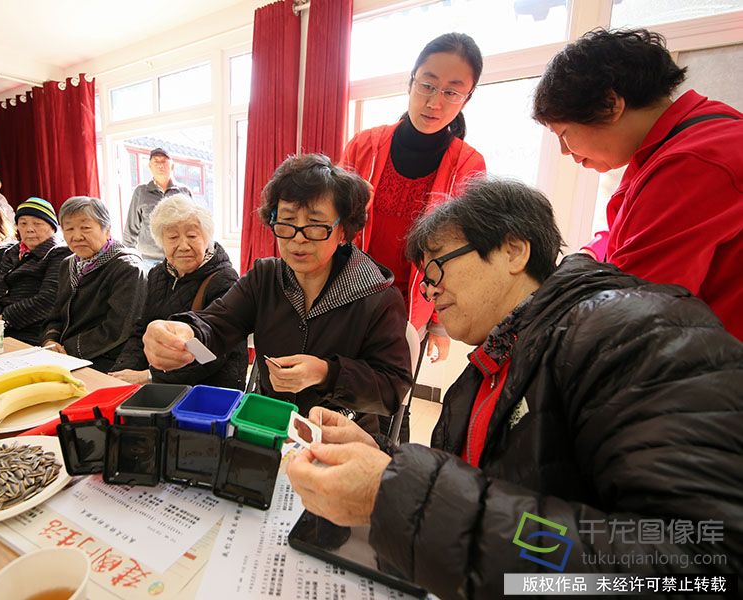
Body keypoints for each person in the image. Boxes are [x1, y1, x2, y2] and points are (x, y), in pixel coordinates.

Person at [286, 178, 743, 598]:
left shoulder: (633, 332)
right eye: (425, 280)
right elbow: (478, 489)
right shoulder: (484, 372)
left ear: (514, 251)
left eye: (438, 268)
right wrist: (387, 460)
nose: (431, 292)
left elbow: (705, 568)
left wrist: (391, 495)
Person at [143, 154, 412, 432]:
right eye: (286, 222)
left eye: (315, 225)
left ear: (342, 230)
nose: (298, 237)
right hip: (269, 425)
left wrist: (326, 373)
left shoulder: (376, 295)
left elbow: (392, 389)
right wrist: (186, 332)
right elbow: (218, 323)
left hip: (340, 437)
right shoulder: (266, 278)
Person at [532, 28, 743, 341]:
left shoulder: (695, 163)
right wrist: (584, 258)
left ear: (610, 104)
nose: (565, 152)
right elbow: (630, 235)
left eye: (563, 134)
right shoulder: (679, 141)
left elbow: (633, 305)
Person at [341, 32, 486, 438]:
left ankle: (379, 480)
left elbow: (460, 254)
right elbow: (331, 223)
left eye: (452, 92)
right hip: (348, 294)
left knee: (386, 408)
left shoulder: (468, 166)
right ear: (410, 83)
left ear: (466, 99)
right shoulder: (364, 146)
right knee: (335, 393)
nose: (435, 101)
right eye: (427, 84)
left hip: (409, 310)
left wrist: (439, 324)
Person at [110, 194, 247, 389]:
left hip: (209, 387)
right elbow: (142, 329)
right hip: (163, 382)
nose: (183, 246)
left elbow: (213, 354)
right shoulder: (158, 274)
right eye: (173, 237)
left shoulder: (224, 280)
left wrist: (148, 376)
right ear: (161, 241)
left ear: (206, 238)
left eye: (192, 236)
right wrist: (122, 371)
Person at [40, 197, 147, 372]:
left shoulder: (127, 267)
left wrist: (69, 349)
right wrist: (50, 340)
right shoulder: (68, 264)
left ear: (107, 230)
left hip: (106, 359)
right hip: (63, 355)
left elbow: (119, 328)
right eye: (69, 228)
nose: (76, 236)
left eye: (85, 228)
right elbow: (56, 313)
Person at [0, 197, 70, 345]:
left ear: (52, 227)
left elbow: (48, 299)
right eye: (23, 223)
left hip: (30, 330)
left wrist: (5, 318)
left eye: (37, 223)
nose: (29, 229)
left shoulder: (60, 253)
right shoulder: (13, 251)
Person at [123, 148, 193, 270]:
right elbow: (131, 228)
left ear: (172, 166)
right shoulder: (141, 192)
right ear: (150, 166)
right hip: (148, 260)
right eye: (156, 161)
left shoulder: (184, 192)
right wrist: (127, 258)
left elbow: (192, 226)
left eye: (164, 161)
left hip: (177, 257)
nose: (160, 165)